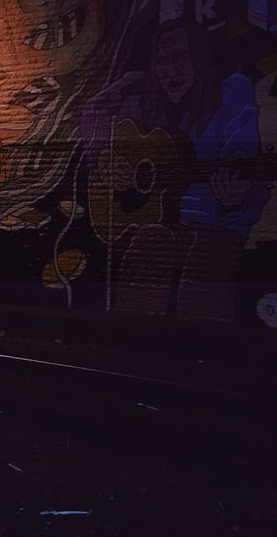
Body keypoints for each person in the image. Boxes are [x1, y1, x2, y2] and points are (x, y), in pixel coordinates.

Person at [81, 18, 267, 320]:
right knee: (152, 240)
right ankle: (132, 347)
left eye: (181, 57)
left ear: (200, 58)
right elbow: (92, 113)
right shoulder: (143, 104)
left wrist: (236, 189)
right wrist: (104, 158)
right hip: (157, 227)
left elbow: (241, 147)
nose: (170, 71)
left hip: (213, 228)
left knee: (208, 249)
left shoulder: (230, 94)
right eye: (161, 61)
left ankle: (201, 357)